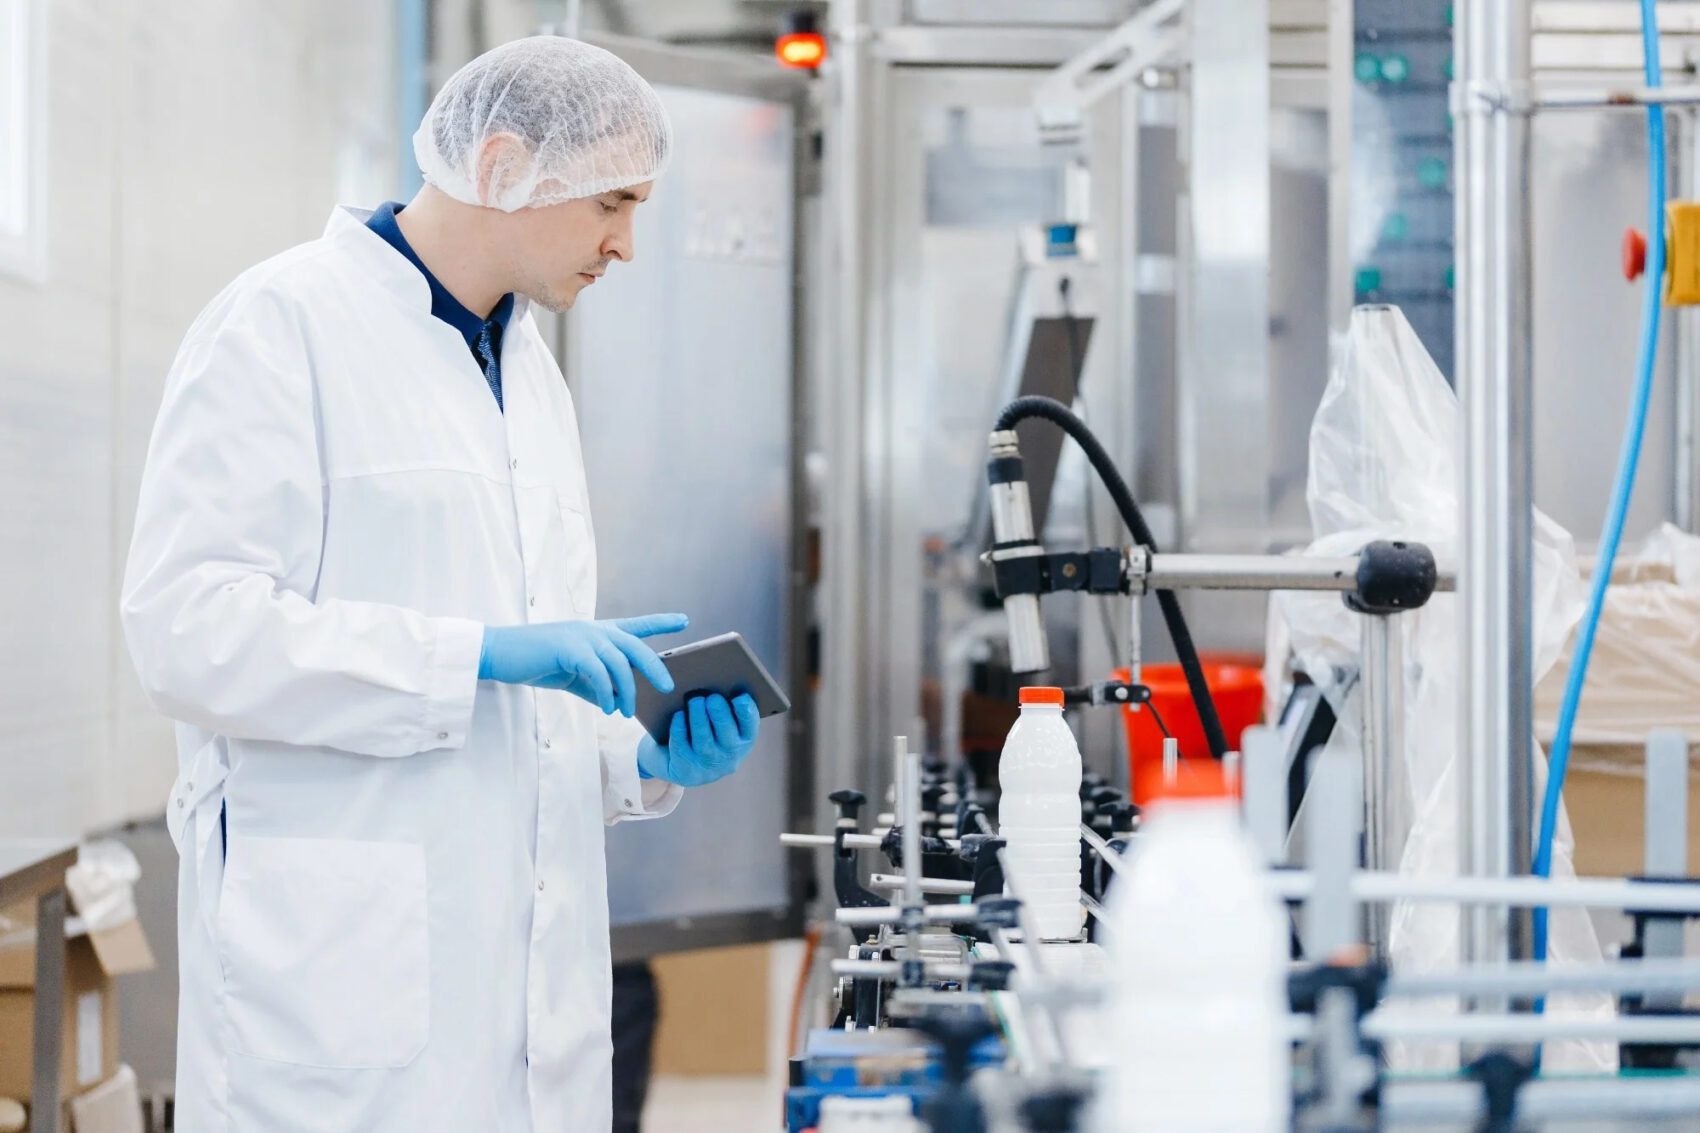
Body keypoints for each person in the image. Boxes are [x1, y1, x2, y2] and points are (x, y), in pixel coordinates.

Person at [119, 37, 760, 1133]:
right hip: (335, 998)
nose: (627, 243)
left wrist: (636, 756)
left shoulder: (529, 370)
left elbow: (527, 722)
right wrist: (471, 653)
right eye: (613, 200)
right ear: (505, 163)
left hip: (525, 1005)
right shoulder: (282, 324)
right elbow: (187, 629)